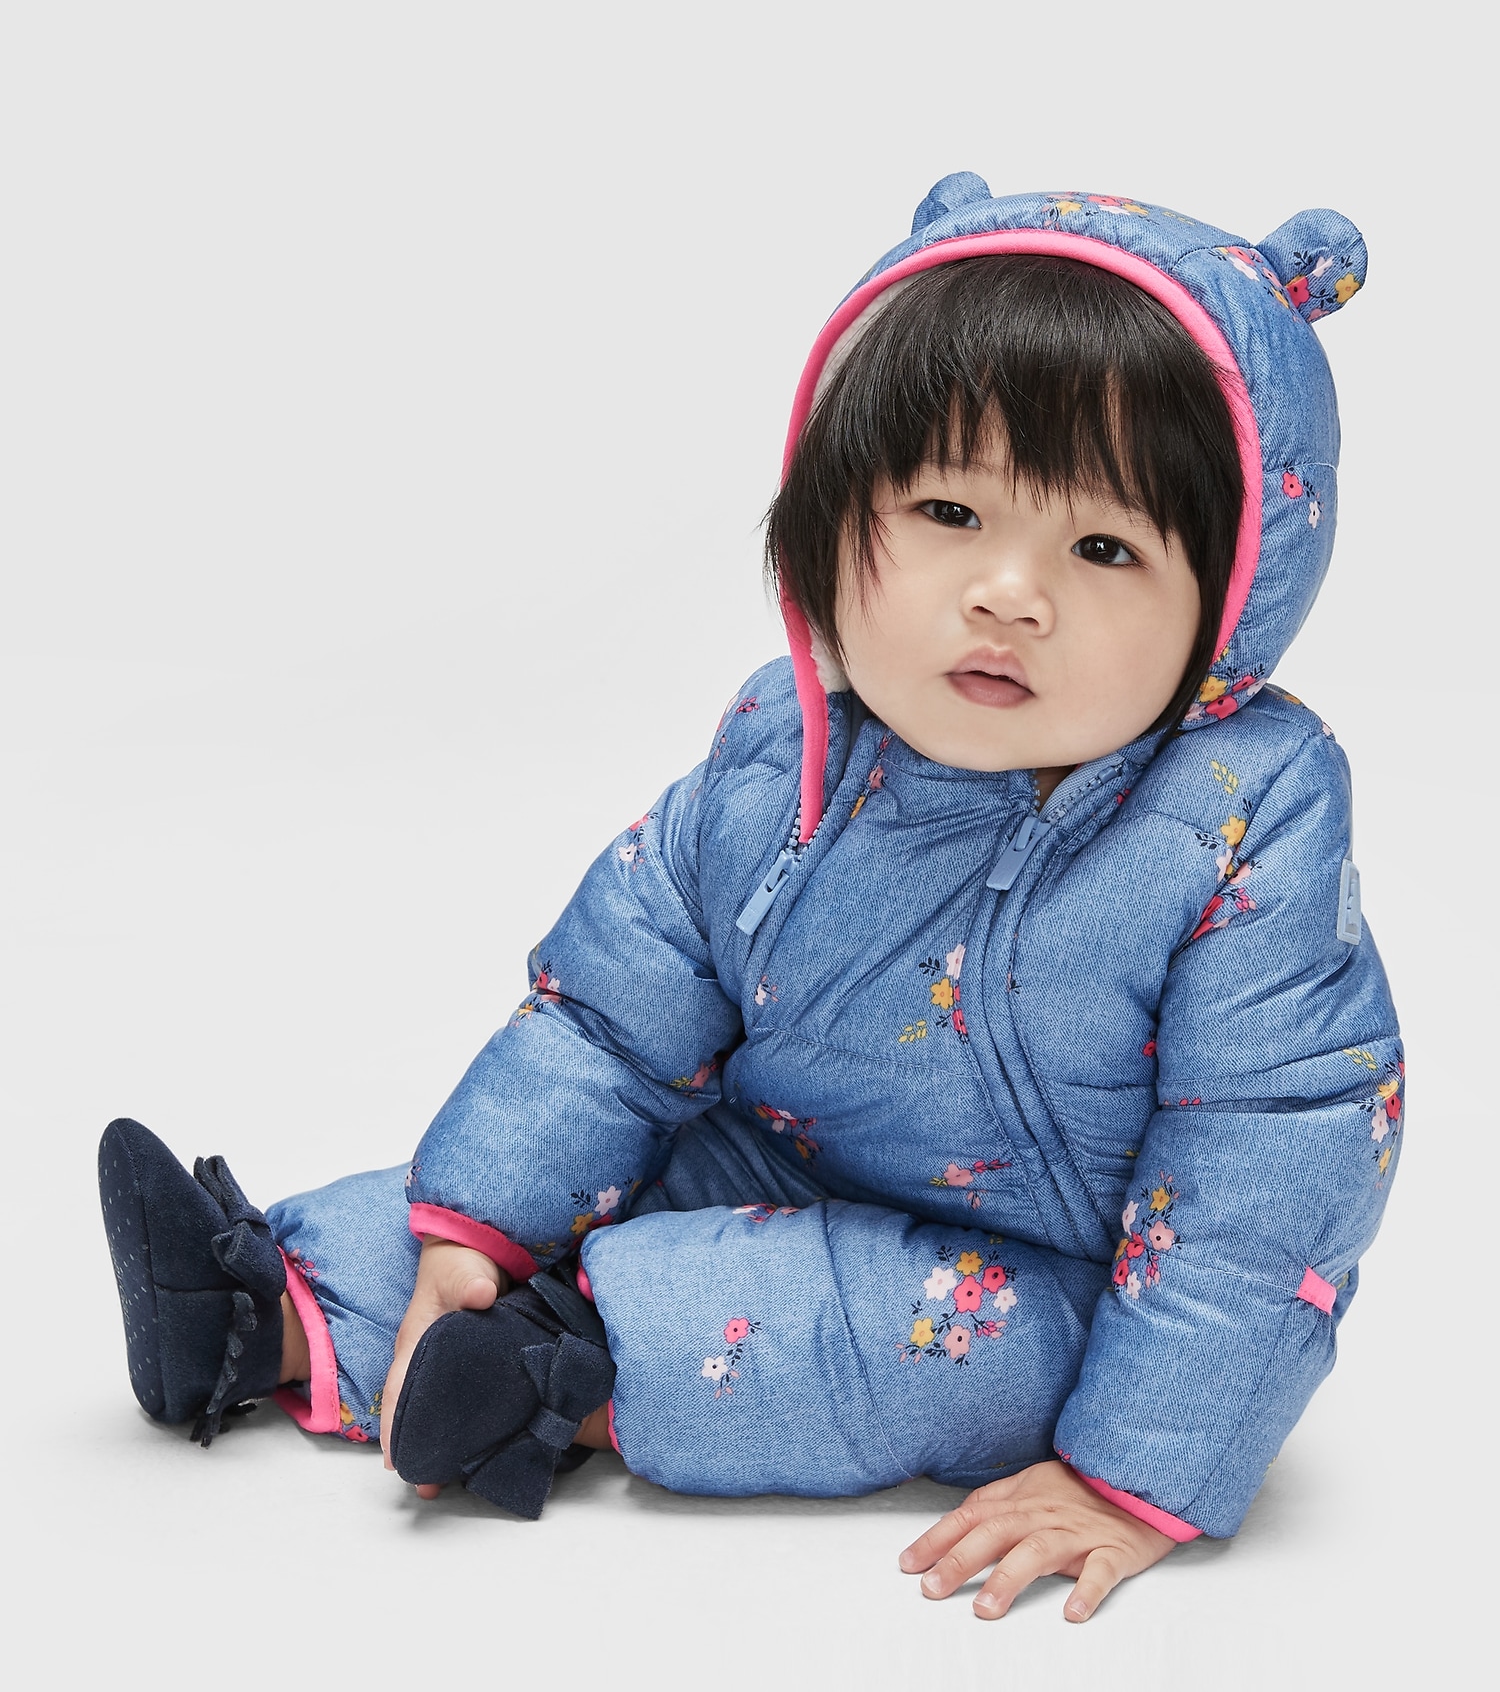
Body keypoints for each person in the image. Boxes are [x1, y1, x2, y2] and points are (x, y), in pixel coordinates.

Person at [99, 175, 1401, 1623]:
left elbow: (1276, 1157)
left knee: (902, 1336)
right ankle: (260, 1309)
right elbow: (612, 1013)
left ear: (1231, 598)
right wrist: (479, 1220)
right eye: (949, 510)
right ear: (834, 519)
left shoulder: (1237, 821)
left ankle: (568, 1371)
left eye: (1103, 549)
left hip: (1049, 1274)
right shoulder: (787, 748)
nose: (1008, 592)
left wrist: (1136, 1469)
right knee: (534, 1194)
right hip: (775, 1150)